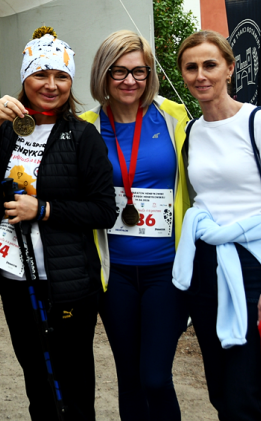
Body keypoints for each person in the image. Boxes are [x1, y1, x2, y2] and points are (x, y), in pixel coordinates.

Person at [0, 26, 117, 420]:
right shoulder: (7, 131)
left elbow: (104, 210)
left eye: (61, 76)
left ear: (71, 82)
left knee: (73, 384)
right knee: (37, 380)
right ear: (25, 79)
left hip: (68, 280)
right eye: (40, 74)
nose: (51, 85)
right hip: (15, 279)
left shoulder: (83, 135)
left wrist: (44, 209)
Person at [173, 30, 261, 420]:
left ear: (230, 68)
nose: (200, 75)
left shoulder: (260, 123)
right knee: (222, 391)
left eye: (209, 64)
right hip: (208, 266)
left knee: (250, 395)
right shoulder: (192, 131)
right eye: (190, 67)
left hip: (253, 268)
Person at [79, 30, 190, 421]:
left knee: (155, 377)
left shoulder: (175, 117)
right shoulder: (84, 126)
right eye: (119, 72)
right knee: (129, 377)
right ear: (103, 75)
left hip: (167, 268)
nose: (130, 81)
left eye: (139, 72)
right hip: (114, 273)